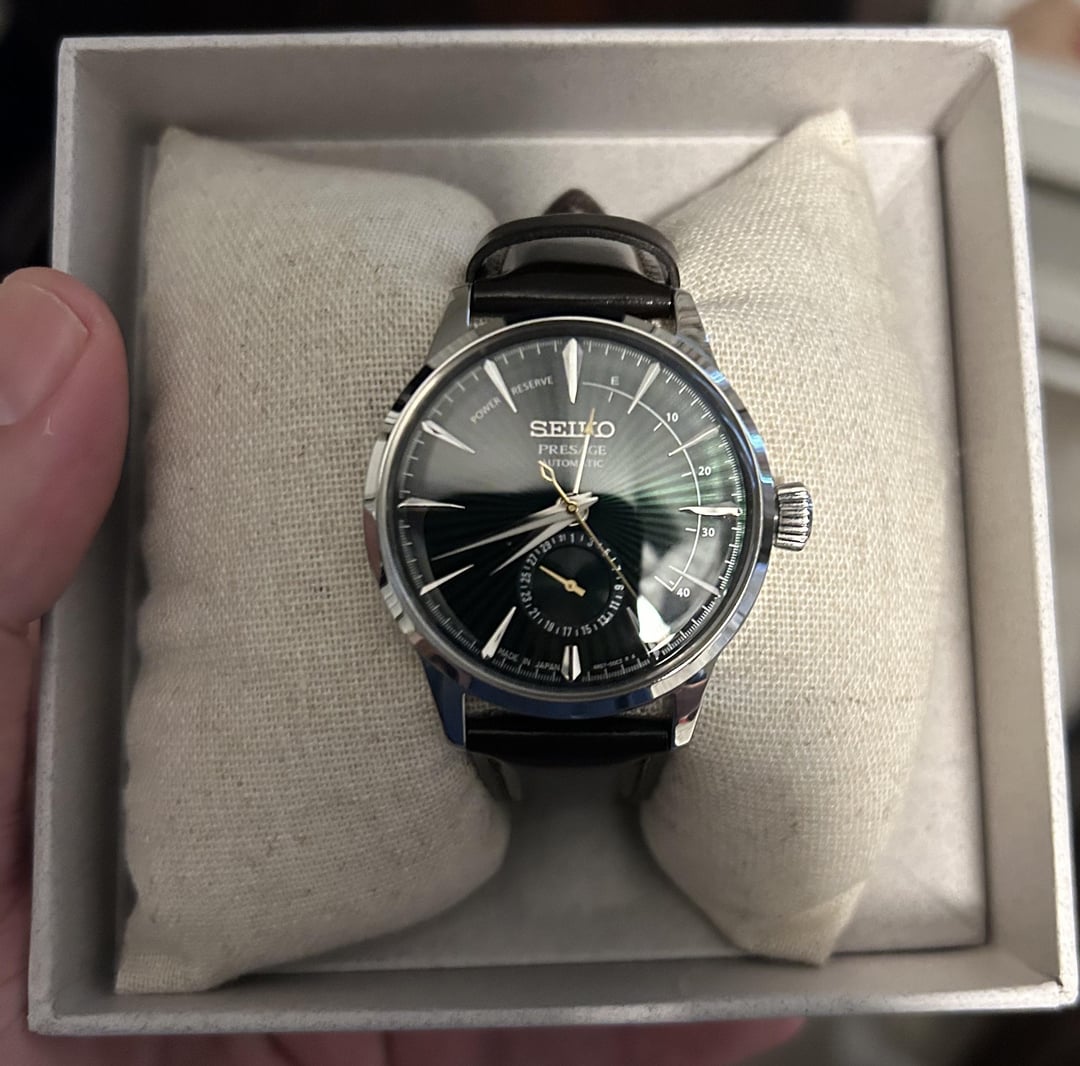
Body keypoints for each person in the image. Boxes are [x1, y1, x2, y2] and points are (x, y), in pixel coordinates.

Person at [0, 266, 801, 1065]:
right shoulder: (469, 421)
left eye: (580, 507)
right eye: (566, 502)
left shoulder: (673, 472)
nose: (573, 507)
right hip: (484, 660)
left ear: (775, 516)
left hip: (590, 658)